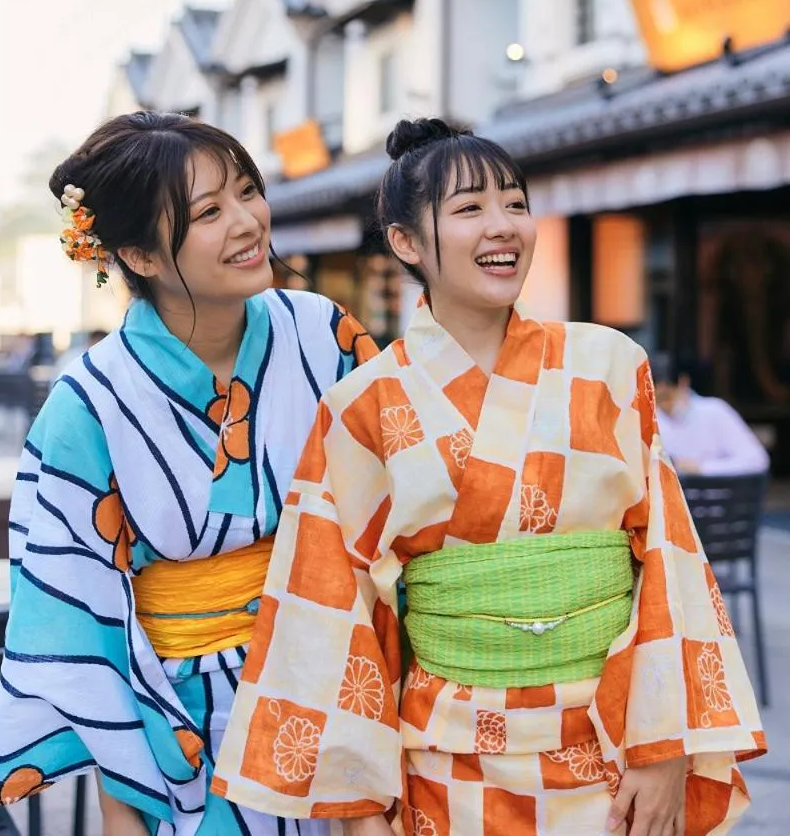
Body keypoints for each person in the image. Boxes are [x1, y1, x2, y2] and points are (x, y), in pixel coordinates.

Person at [214, 118, 765, 836]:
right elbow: (330, 603)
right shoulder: (363, 406)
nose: (503, 226)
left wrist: (663, 753)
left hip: (607, 747)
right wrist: (357, 810)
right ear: (406, 242)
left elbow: (669, 560)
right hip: (445, 751)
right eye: (469, 209)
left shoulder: (605, 366)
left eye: (514, 202)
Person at [0, 110, 377, 835]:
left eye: (246, 191)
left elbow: (394, 506)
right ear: (138, 254)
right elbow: (78, 611)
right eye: (208, 211)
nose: (247, 220)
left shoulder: (323, 334)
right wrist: (121, 803)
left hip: (339, 685)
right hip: (186, 719)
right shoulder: (91, 403)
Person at [653, 356, 770, 477]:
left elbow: (757, 461)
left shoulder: (714, 410)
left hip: (718, 492)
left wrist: (701, 468)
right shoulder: (651, 420)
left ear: (683, 382)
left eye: (668, 396)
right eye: (659, 399)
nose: (665, 404)